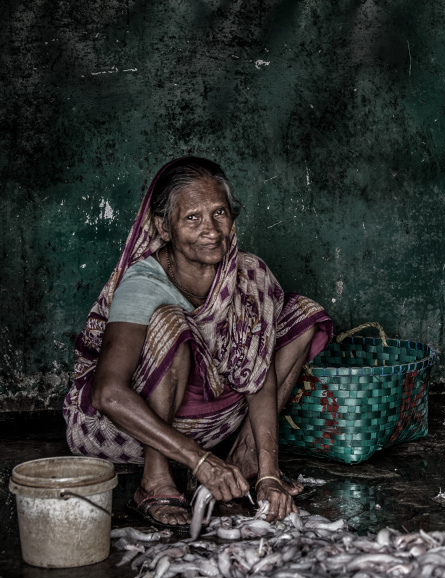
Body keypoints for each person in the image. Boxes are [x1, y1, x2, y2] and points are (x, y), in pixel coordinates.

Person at [62, 157, 333, 527]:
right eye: (192, 218)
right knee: (169, 323)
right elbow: (106, 394)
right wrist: (200, 460)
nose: (211, 230)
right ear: (164, 226)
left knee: (302, 314)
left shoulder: (249, 275)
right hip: (129, 431)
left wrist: (270, 473)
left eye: (219, 212)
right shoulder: (144, 283)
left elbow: (258, 371)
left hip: (213, 423)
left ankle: (246, 461)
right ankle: (154, 483)